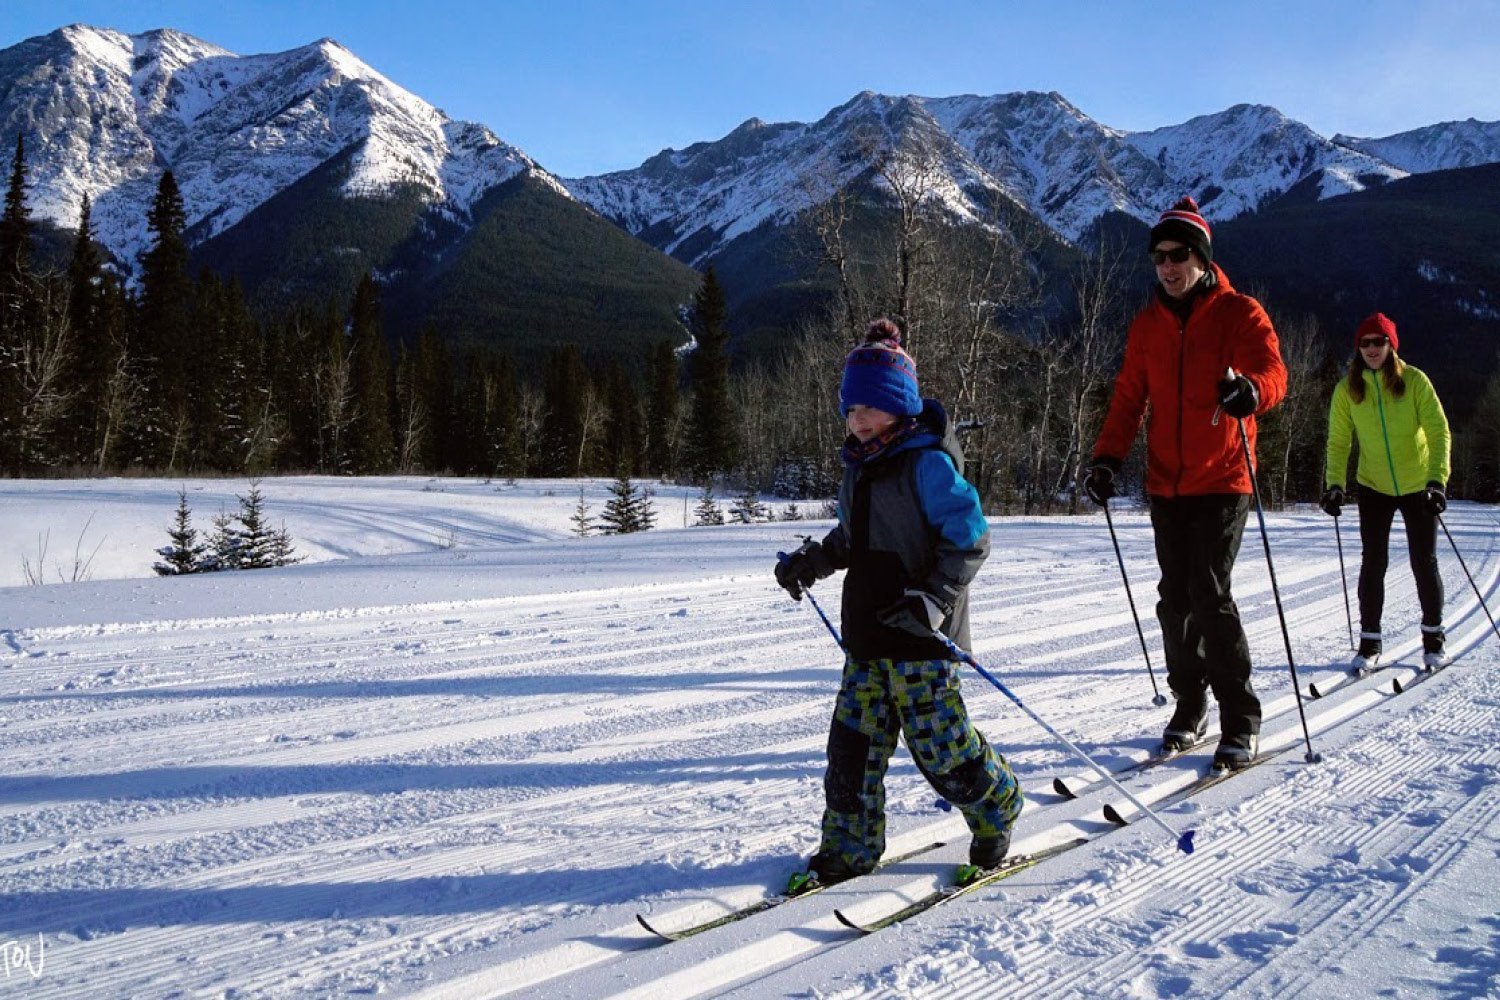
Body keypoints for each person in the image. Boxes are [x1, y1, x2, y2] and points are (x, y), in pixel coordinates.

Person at [774, 317, 1022, 883]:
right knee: (852, 752)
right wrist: (811, 561)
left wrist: (934, 598)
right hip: (866, 636)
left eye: (867, 407)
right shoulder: (857, 468)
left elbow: (970, 536)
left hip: (920, 637)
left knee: (942, 751)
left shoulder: (927, 462)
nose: (855, 419)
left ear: (898, 407)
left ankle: (997, 807)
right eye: (849, 408)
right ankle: (851, 848)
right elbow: (848, 539)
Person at [1084, 196, 1287, 771]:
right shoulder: (1147, 324)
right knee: (1174, 598)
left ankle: (1240, 718)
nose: (1167, 266)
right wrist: (1106, 459)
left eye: (1178, 256)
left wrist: (1251, 390)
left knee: (1208, 591)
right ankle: (1190, 702)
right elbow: (1128, 398)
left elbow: (1274, 373)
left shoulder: (1239, 313)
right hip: (1167, 482)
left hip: (1225, 475)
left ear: (1201, 258)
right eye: (1158, 258)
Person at [1320, 312, 1450, 671]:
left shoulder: (1414, 382)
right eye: (1365, 343)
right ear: (1357, 348)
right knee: (1373, 562)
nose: (1372, 349)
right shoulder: (1348, 389)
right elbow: (1339, 440)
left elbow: (1439, 432)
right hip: (1373, 485)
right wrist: (1334, 484)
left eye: (1379, 341)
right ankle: (1370, 644)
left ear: (1392, 345)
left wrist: (1437, 481)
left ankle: (1434, 639)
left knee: (1423, 562)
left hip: (1417, 485)